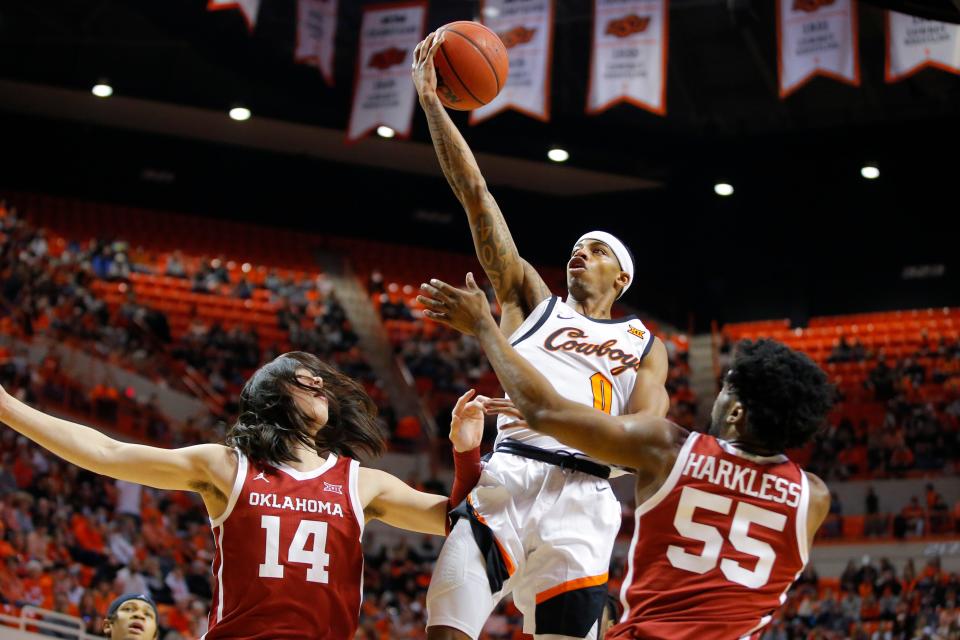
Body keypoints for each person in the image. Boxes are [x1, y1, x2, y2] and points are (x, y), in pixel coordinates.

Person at [412, 35, 670, 640]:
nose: (581, 251)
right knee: (446, 627)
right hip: (510, 476)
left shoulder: (643, 342)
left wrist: (569, 418)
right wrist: (433, 106)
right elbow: (478, 199)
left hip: (587, 498)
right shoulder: (532, 300)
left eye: (598, 249)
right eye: (578, 246)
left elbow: (644, 436)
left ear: (621, 276)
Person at [417, 275, 833, 639]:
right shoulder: (812, 498)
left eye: (727, 390)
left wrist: (486, 328)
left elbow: (544, 411)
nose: (719, 398)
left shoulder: (671, 449)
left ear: (738, 412)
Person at [0, 351, 483, 639]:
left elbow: (461, 520)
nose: (318, 382)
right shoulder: (227, 466)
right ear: (272, 395)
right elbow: (106, 451)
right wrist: (7, 407)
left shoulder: (361, 481)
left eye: (319, 379)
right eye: (301, 377)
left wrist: (465, 451)